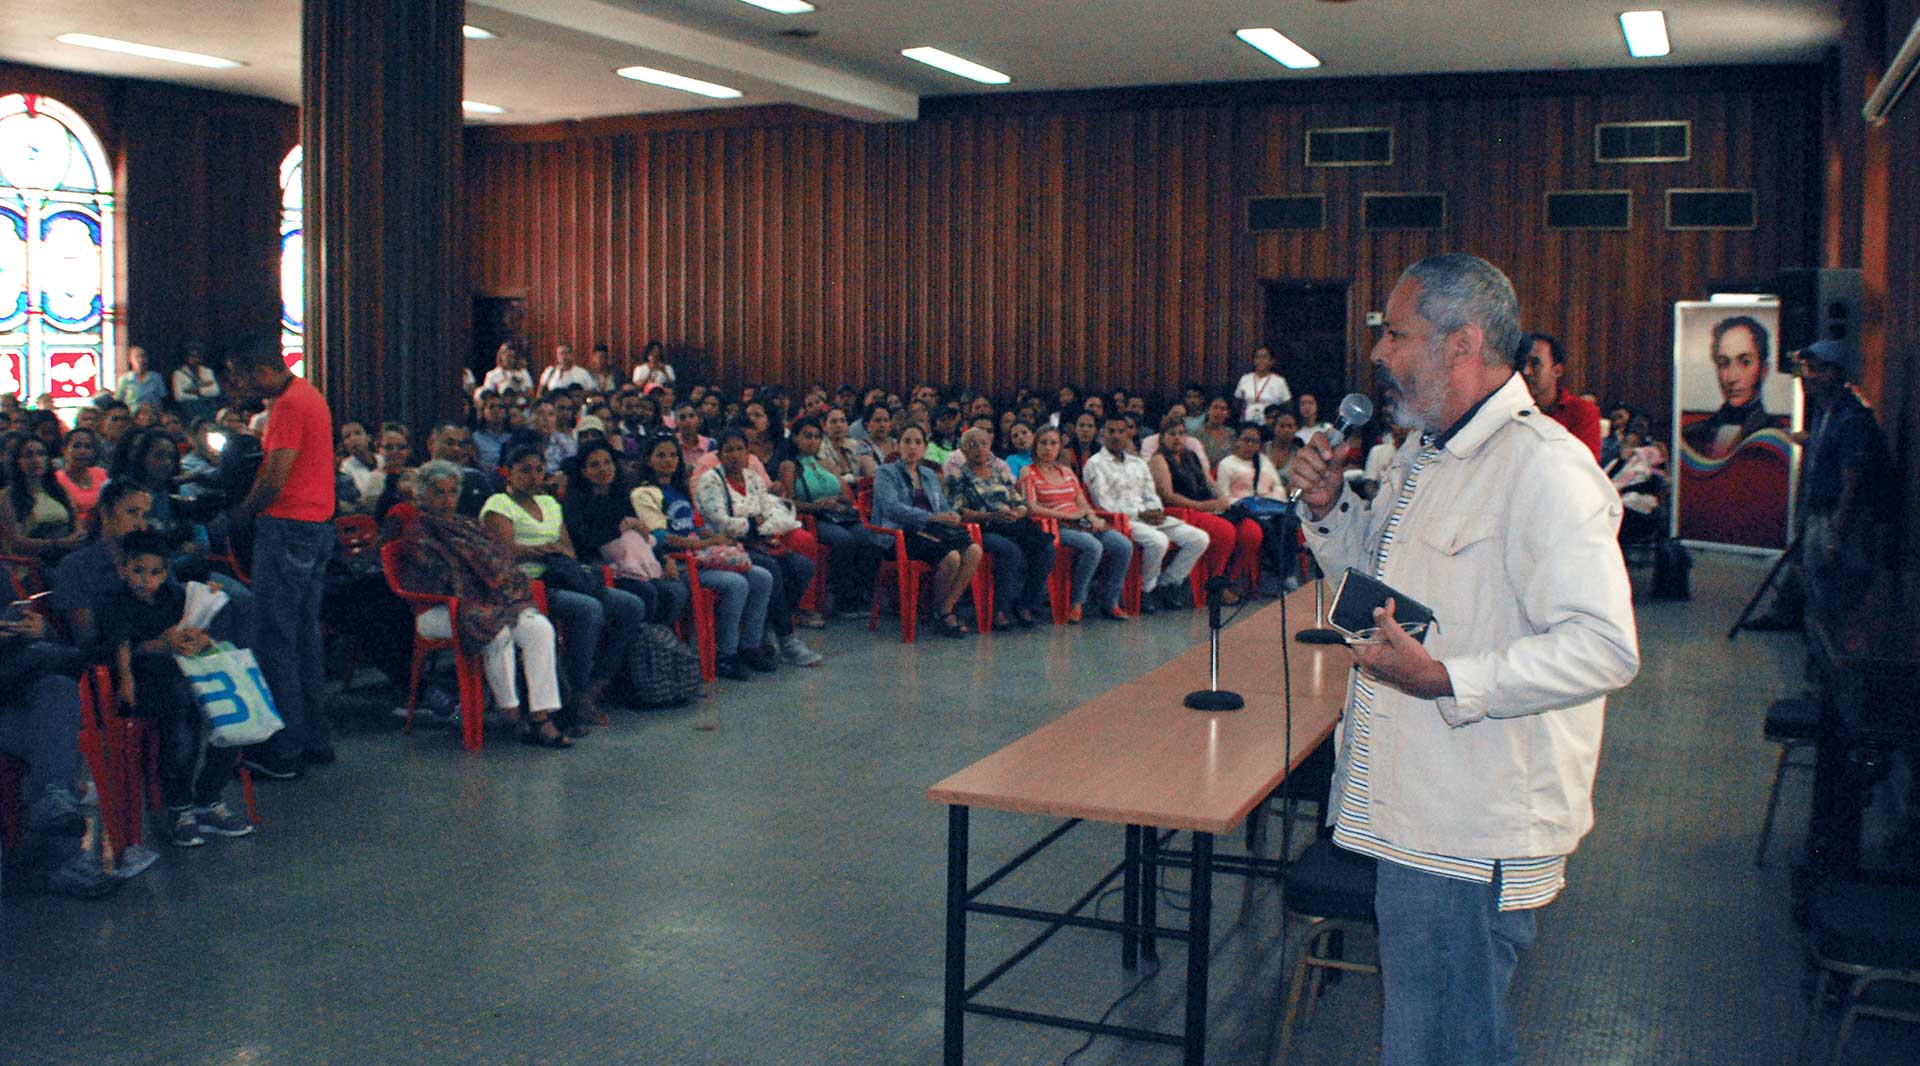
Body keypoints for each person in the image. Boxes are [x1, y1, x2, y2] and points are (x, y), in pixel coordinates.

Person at [1287, 253, 1639, 1066]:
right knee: (1432, 1038)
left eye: (1396, 333)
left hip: (1467, 828)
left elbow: (1605, 646)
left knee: (1443, 1047)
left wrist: (1451, 679)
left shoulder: (1543, 468)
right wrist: (1327, 506)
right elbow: (1370, 592)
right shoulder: (1427, 455)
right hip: (1412, 812)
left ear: (1462, 343)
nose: (1377, 353)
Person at [226, 339, 338, 777]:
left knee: (275, 637)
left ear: (260, 371)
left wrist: (244, 512)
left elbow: (276, 474)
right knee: (303, 637)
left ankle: (284, 750)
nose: (238, 387)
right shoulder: (309, 394)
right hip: (317, 524)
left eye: (240, 377)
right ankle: (314, 738)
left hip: (289, 525)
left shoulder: (288, 406)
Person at [400, 461, 571, 747]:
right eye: (438, 493)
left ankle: (542, 716)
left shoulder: (466, 525)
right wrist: (482, 594)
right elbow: (440, 577)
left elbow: (498, 563)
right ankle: (512, 713)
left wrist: (499, 592)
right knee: (496, 629)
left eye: (452, 492)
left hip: (486, 603)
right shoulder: (419, 533)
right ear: (422, 496)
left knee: (539, 628)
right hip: (437, 610)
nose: (447, 499)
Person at [102, 530, 254, 846]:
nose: (146, 580)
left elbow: (197, 625)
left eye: (155, 572)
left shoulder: (174, 596)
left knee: (229, 712)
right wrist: (154, 651)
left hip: (189, 674)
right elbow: (119, 649)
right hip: (154, 685)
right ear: (123, 569)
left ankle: (210, 797)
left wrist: (200, 633)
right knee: (181, 717)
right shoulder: (116, 602)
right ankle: (179, 805)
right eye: (138, 571)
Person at [483, 442, 645, 727]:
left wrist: (548, 549)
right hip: (528, 585)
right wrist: (544, 548)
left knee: (631, 605)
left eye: (538, 470)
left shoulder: (549, 503)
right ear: (509, 474)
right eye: (525, 471)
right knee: (589, 609)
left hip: (563, 574)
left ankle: (598, 682)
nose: (533, 476)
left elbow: (568, 549)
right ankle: (575, 694)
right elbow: (504, 551)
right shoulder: (499, 504)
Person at [1745, 339, 1894, 630]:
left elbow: (1852, 479)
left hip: (1838, 516)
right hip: (1817, 511)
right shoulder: (1823, 411)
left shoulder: (1851, 417)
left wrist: (1836, 532)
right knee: (1815, 583)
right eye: (1808, 369)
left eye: (1818, 370)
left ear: (1836, 373)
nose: (1808, 376)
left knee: (1837, 588)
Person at [0, 604, 120, 898]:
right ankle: (62, 857)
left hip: (14, 690)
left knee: (58, 690)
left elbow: (30, 641)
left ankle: (54, 802)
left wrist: (41, 631)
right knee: (53, 736)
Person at [631, 436, 775, 679]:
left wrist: (710, 536)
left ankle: (750, 646)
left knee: (762, 577)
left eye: (673, 455)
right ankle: (725, 655)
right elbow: (662, 537)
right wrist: (706, 542)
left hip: (700, 554)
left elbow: (689, 526)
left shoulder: (679, 489)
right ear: (649, 460)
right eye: (661, 455)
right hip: (676, 562)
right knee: (736, 584)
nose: (668, 461)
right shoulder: (644, 493)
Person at [693, 430, 822, 666]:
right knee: (771, 567)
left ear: (747, 453)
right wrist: (752, 524)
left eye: (740, 449)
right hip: (726, 547)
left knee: (802, 566)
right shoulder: (710, 480)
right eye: (729, 450)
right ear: (719, 455)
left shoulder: (752, 478)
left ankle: (769, 625)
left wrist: (755, 527)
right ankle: (787, 639)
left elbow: (768, 512)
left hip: (758, 541)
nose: (735, 455)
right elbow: (722, 523)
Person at [1081, 414, 1210, 614]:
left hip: (1149, 516)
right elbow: (1104, 504)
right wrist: (1141, 514)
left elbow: (1151, 493)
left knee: (1199, 538)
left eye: (1121, 431)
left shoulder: (1137, 463)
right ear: (1102, 435)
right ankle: (1145, 590)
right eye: (1111, 431)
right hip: (1122, 520)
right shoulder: (1095, 463)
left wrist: (1156, 510)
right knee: (1158, 541)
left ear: (1129, 434)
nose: (1116, 436)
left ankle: (1167, 584)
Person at [869, 424, 984, 638]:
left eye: (917, 442)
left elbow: (941, 506)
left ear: (924, 447)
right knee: (951, 558)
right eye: (907, 441)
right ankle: (937, 613)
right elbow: (890, 508)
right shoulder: (886, 472)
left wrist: (951, 515)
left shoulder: (929, 474)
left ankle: (944, 608)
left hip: (932, 532)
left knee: (974, 551)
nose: (912, 447)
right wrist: (930, 517)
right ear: (898, 445)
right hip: (900, 535)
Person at [562, 440, 689, 626]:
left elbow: (641, 535)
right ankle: (643, 641)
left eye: (607, 462)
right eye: (594, 465)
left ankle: (658, 639)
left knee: (676, 590)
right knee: (648, 592)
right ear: (584, 471)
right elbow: (583, 540)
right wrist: (620, 529)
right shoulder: (575, 501)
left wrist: (664, 559)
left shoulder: (620, 494)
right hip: (600, 564)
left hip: (635, 560)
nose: (603, 469)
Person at [778, 416, 888, 619]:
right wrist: (816, 506)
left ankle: (863, 595)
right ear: (795, 438)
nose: (812, 441)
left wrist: (836, 501)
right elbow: (789, 502)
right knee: (843, 540)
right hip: (813, 518)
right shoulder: (789, 466)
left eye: (816, 437)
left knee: (871, 537)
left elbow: (848, 497)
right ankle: (842, 600)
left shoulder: (827, 464)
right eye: (807, 436)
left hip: (839, 514)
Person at [1020, 426, 1133, 622]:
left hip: (1080, 521)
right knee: (1093, 546)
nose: (1048, 448)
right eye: (1043, 443)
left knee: (1123, 545)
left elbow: (1081, 503)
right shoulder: (1028, 472)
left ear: (1059, 447)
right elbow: (1031, 508)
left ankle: (1111, 601)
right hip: (1055, 526)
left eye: (1053, 443)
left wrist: (1093, 518)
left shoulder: (1066, 471)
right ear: (1035, 446)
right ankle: (1077, 603)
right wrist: (1065, 515)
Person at [1146, 414, 1262, 602]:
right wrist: (1203, 506)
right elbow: (1168, 496)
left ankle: (1229, 579)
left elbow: (1209, 482)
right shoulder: (1158, 460)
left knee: (1251, 531)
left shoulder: (1190, 455)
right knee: (1224, 531)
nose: (1178, 438)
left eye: (1182, 433)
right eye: (1172, 434)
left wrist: (1222, 499)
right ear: (1162, 436)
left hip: (1204, 507)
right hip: (1179, 510)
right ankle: (1213, 585)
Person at [948, 427, 1055, 630]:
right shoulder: (958, 476)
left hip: (1011, 523)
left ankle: (1025, 604)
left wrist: (1018, 513)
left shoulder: (1000, 473)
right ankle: (1000, 609)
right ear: (963, 450)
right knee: (1010, 550)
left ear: (990, 447)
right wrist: (991, 516)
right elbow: (959, 511)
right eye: (973, 445)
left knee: (1046, 548)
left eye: (984, 444)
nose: (979, 449)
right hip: (982, 529)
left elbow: (1021, 503)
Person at [1680, 315, 1776, 460]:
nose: (1732, 378)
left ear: (1764, 370)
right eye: (1723, 363)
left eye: (1745, 362)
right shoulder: (1692, 435)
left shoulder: (1776, 436)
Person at [1517, 332, 1603, 461]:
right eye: (1523, 363)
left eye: (1535, 363)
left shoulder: (1582, 412)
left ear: (1557, 371)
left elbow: (1584, 468)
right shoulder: (1512, 410)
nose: (1526, 371)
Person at [1, 436, 85, 564]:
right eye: (29, 455)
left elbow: (77, 523)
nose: (36, 460)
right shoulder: (8, 496)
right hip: (34, 563)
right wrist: (59, 544)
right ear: (18, 461)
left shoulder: (58, 490)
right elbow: (16, 542)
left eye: (41, 454)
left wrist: (75, 537)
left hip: (69, 555)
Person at [55, 428, 108, 524]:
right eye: (77, 446)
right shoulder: (56, 480)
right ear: (64, 450)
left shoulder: (103, 474)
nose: (82, 451)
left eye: (88, 447)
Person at [1234, 346, 1292, 425]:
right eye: (1257, 357)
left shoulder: (1279, 381)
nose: (1260, 360)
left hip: (1270, 426)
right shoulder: (1245, 379)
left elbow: (1287, 406)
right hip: (1247, 424)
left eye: (1264, 357)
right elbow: (1238, 403)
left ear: (1271, 361)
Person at [170, 344, 221, 422]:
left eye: (196, 356)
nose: (194, 359)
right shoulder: (178, 374)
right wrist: (204, 390)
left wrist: (196, 391)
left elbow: (216, 391)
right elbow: (179, 396)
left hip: (208, 408)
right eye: (191, 356)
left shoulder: (207, 371)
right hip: (189, 410)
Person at [114, 347, 166, 412]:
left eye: (143, 356)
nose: (141, 360)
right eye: (137, 357)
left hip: (152, 415)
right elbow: (119, 401)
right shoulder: (125, 379)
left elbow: (160, 401)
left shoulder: (156, 378)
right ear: (130, 359)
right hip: (132, 416)